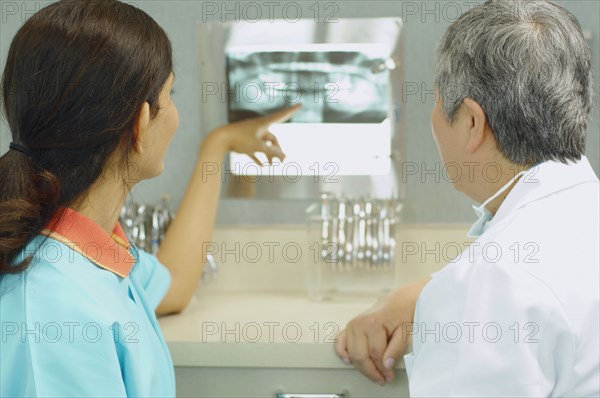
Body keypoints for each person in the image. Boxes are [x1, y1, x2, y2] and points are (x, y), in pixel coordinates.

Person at [0, 0, 299, 396]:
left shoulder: (83, 250)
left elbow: (173, 287)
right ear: (140, 125)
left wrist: (217, 145)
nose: (176, 114)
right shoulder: (53, 309)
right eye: (170, 94)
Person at [335, 0, 599, 396]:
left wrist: (450, 296)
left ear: (473, 123)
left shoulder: (490, 284)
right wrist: (418, 295)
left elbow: (505, 284)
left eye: (439, 104)